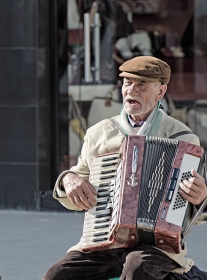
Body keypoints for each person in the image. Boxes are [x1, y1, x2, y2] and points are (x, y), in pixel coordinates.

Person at [43, 56, 207, 280]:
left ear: (161, 91)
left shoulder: (184, 139)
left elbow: (192, 214)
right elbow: (77, 187)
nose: (132, 90)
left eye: (142, 85)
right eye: (127, 83)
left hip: (156, 246)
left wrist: (199, 199)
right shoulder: (98, 133)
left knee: (137, 267)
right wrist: (68, 179)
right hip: (104, 241)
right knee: (56, 275)